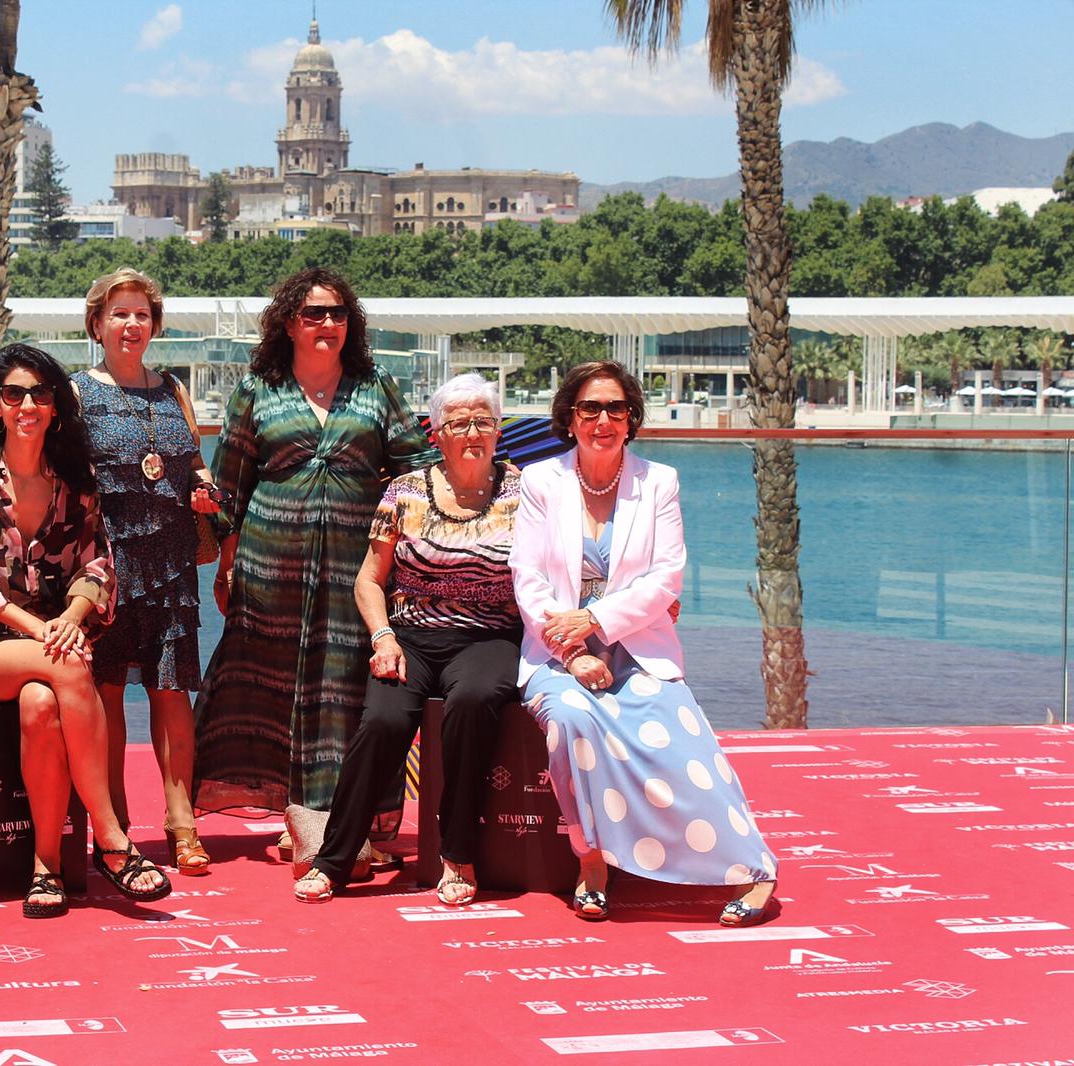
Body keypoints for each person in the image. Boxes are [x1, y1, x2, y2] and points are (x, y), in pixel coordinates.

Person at [510, 360, 778, 926]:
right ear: (570, 418)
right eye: (590, 408)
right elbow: (527, 577)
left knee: (681, 741)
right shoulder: (539, 481)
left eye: (616, 409)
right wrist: (572, 651)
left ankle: (754, 870)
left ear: (631, 419)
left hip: (638, 647)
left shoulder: (659, 481)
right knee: (570, 722)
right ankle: (593, 861)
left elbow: (666, 579)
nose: (603, 420)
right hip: (559, 653)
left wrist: (594, 622)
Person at [195, 267, 438, 825]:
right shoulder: (257, 390)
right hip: (268, 564)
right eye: (314, 314)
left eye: (338, 314)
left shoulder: (375, 386)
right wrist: (226, 565)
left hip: (355, 566)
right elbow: (228, 484)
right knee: (267, 683)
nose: (328, 324)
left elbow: (417, 468)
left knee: (345, 686)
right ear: (288, 324)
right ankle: (290, 812)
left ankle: (343, 816)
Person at [0, 343, 171, 917]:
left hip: (57, 640)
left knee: (42, 705)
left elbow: (98, 564)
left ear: (54, 406)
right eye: (14, 394)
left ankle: (45, 867)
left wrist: (69, 619)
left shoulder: (76, 478)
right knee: (65, 667)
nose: (27, 405)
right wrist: (46, 634)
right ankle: (113, 839)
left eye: (40, 394)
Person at [293, 374, 521, 906]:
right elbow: (369, 578)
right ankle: (334, 859)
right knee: (385, 721)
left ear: (497, 430)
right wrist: (383, 637)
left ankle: (458, 852)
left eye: (483, 421)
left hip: (490, 635)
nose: (472, 432)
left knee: (471, 701)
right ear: (436, 433)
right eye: (458, 422)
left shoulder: (526, 491)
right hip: (411, 635)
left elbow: (564, 568)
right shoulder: (404, 492)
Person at [71, 268, 220, 876]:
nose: (131, 324)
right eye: (119, 313)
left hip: (172, 560)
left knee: (171, 688)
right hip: (109, 563)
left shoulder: (174, 389)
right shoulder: (78, 391)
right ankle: (117, 828)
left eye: (141, 314)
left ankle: (182, 824)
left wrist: (205, 490)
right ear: (97, 325)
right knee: (104, 693)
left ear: (154, 326)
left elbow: (196, 465)